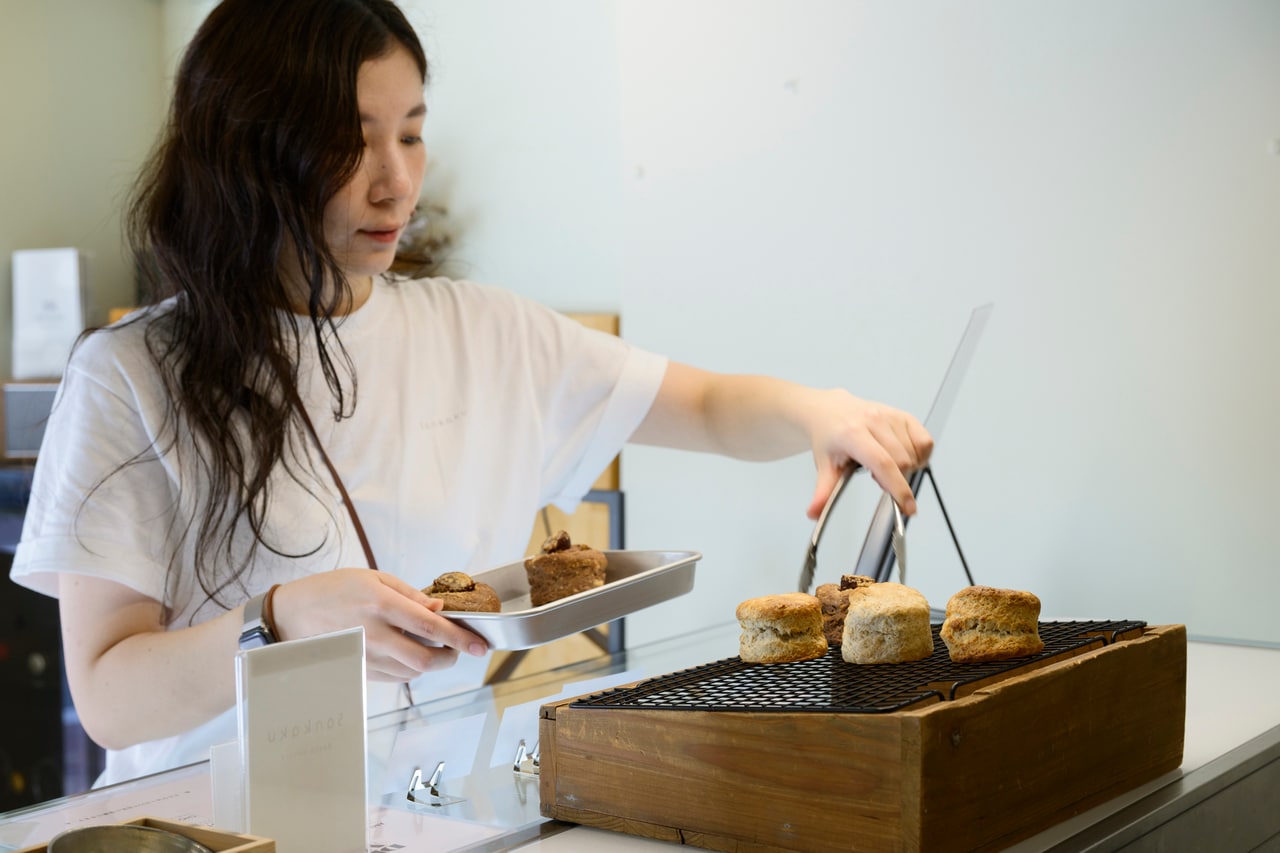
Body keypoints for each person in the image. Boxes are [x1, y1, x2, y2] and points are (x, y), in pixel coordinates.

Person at [8, 0, 932, 788]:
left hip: (429, 810)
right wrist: (280, 622)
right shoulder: (130, 373)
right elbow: (109, 697)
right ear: (248, 151)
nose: (397, 179)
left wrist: (821, 411)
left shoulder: (483, 331)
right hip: (209, 829)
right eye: (348, 141)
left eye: (410, 132)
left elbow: (703, 405)